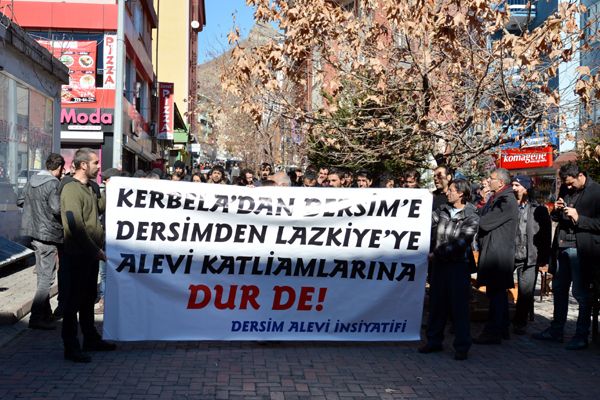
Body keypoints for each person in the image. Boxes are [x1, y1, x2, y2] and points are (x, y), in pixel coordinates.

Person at [532, 163, 600, 350]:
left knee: (580, 293)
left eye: (570, 184)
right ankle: (556, 330)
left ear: (580, 175)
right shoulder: (565, 188)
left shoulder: (596, 192)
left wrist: (580, 219)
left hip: (581, 249)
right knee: (559, 290)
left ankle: (581, 335)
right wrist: (557, 210)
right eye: (565, 184)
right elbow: (557, 219)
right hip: (561, 247)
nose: (568, 187)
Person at [60, 148, 116, 363]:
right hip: (77, 256)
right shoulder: (70, 190)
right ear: (83, 165)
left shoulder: (91, 187)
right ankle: (71, 346)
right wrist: (96, 250)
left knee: (86, 299)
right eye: (95, 163)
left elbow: (99, 208)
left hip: (90, 255)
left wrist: (111, 190)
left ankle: (90, 338)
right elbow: (75, 225)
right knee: (72, 302)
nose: (98, 166)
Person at [419, 179, 479, 360]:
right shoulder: (442, 210)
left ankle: (462, 346)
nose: (447, 193)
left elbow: (462, 243)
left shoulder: (472, 216)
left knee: (459, 307)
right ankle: (434, 341)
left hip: (458, 266)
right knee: (437, 304)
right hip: (439, 266)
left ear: (461, 193)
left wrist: (436, 254)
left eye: (451, 190)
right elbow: (423, 222)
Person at [17, 153, 65, 330]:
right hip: (49, 234)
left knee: (42, 276)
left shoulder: (32, 181)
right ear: (59, 167)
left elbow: (20, 201)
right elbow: (56, 208)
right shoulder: (53, 184)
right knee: (47, 278)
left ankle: (46, 314)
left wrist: (35, 212)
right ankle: (36, 317)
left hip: (33, 233)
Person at [473, 168, 518, 345]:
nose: (488, 181)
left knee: (497, 293)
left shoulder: (506, 200)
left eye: (491, 179)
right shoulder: (496, 197)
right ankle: (503, 328)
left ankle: (493, 332)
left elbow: (484, 222)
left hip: (498, 255)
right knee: (496, 292)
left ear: (500, 182)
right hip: (494, 251)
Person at [510, 175, 551, 335]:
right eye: (512, 184)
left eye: (516, 185)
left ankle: (520, 322)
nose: (513, 188)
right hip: (509, 254)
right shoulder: (510, 206)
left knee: (526, 292)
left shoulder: (538, 209)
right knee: (499, 286)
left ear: (525, 188)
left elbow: (545, 235)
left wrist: (543, 259)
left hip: (529, 257)